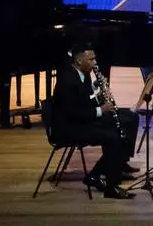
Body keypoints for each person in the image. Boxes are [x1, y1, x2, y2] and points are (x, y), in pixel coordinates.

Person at [51, 44, 139, 199]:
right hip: (69, 128)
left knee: (128, 119)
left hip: (82, 120)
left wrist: (99, 95)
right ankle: (110, 187)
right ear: (79, 60)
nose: (95, 62)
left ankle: (110, 169)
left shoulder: (83, 74)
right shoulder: (67, 80)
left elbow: (85, 101)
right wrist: (101, 110)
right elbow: (72, 113)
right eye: (91, 59)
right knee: (114, 137)